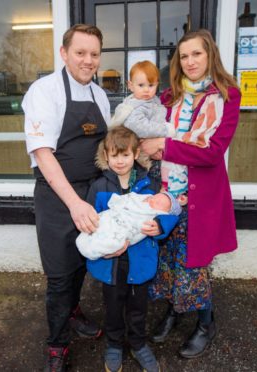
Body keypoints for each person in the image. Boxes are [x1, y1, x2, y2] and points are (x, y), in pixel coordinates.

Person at [140, 29, 241, 359]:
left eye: (196, 54)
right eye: (184, 56)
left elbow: (213, 152)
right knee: (168, 259)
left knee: (194, 265)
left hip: (201, 199)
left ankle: (205, 322)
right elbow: (148, 130)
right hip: (167, 192)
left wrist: (166, 146)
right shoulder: (169, 97)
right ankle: (174, 310)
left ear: (209, 54)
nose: (190, 61)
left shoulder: (228, 96)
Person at [21, 24, 110, 372]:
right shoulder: (44, 92)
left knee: (82, 263)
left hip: (93, 191)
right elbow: (43, 155)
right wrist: (75, 203)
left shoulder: (100, 96)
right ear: (64, 53)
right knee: (59, 275)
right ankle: (57, 344)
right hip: (58, 197)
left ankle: (73, 311)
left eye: (94, 54)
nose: (88, 61)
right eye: (80, 53)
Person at [83, 126, 179, 372]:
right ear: (106, 155)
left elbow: (169, 211)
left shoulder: (150, 183)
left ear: (136, 153)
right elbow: (90, 222)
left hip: (140, 259)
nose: (119, 161)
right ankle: (114, 344)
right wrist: (100, 245)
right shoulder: (99, 186)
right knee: (113, 307)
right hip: (111, 262)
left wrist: (160, 226)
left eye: (125, 155)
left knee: (138, 308)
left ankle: (138, 343)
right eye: (114, 155)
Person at [110, 60, 189, 200]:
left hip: (154, 152)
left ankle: (168, 194)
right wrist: (166, 130)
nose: (146, 90)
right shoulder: (135, 105)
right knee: (150, 182)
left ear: (157, 84)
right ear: (130, 85)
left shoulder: (152, 101)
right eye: (141, 85)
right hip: (142, 157)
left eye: (151, 85)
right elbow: (139, 127)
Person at [76, 191, 181, 260]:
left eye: (159, 203)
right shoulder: (139, 197)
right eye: (155, 197)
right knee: (100, 226)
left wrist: (161, 224)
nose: (153, 200)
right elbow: (119, 199)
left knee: (113, 241)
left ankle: (96, 248)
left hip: (127, 235)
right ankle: (85, 241)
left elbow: (172, 219)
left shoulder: (153, 215)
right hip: (113, 219)